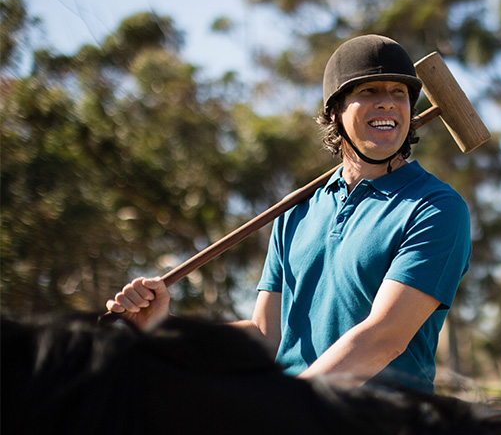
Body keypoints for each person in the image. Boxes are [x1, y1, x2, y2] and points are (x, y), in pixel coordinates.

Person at [107, 34, 472, 393]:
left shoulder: (436, 207)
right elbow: (266, 335)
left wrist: (286, 409)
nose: (389, 104)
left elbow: (383, 338)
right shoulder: (297, 211)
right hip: (295, 430)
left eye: (399, 93)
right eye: (369, 91)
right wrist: (165, 330)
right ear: (335, 111)